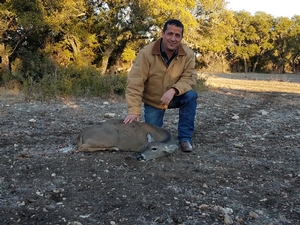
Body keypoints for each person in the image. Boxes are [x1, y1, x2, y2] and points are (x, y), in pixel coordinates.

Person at [123, 19, 198, 152]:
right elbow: (135, 82)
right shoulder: (146, 53)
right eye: (170, 34)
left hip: (175, 96)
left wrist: (174, 90)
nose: (173, 39)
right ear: (162, 34)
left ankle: (185, 139)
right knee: (152, 140)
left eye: (177, 35)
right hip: (154, 100)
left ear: (181, 38)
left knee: (191, 96)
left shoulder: (188, 54)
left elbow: (190, 78)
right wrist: (134, 110)